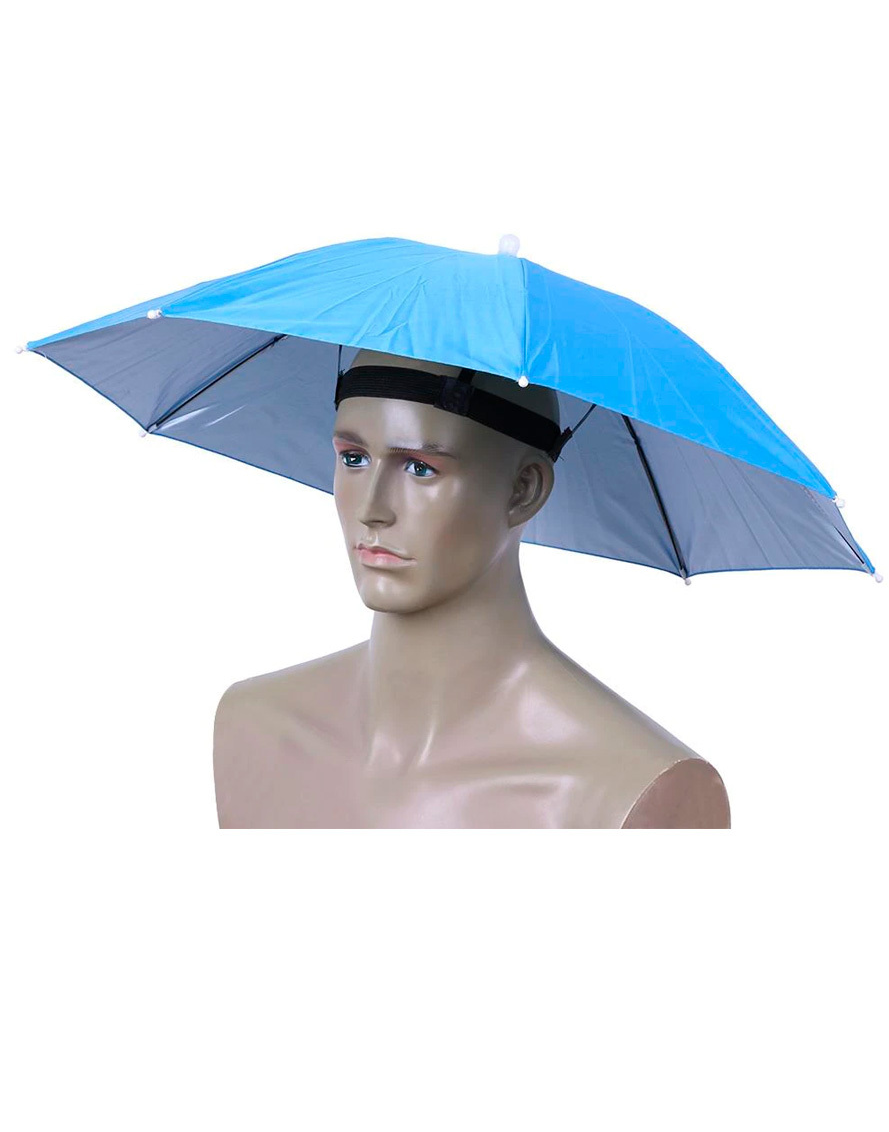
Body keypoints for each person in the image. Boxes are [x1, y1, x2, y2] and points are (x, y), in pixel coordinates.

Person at [214, 347, 730, 828]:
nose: (371, 508)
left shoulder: (637, 789)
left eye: (420, 468)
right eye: (353, 458)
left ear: (523, 490)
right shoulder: (254, 725)